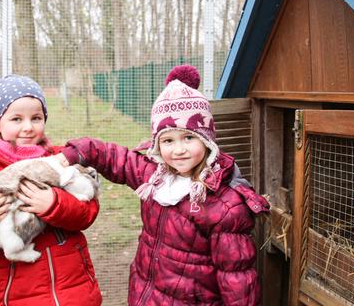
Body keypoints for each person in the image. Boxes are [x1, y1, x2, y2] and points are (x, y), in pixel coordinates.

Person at [56, 65, 269, 305]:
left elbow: (237, 278)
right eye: (167, 140)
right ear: (157, 145)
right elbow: (114, 157)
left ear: (207, 140)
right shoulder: (155, 175)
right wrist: (78, 152)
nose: (178, 150)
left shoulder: (224, 205)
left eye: (189, 137)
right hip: (146, 294)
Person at [0, 74, 102, 306]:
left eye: (36, 118)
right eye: (16, 119)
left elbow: (88, 212)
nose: (28, 128)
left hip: (74, 289)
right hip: (21, 293)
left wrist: (54, 204)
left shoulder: (60, 158)